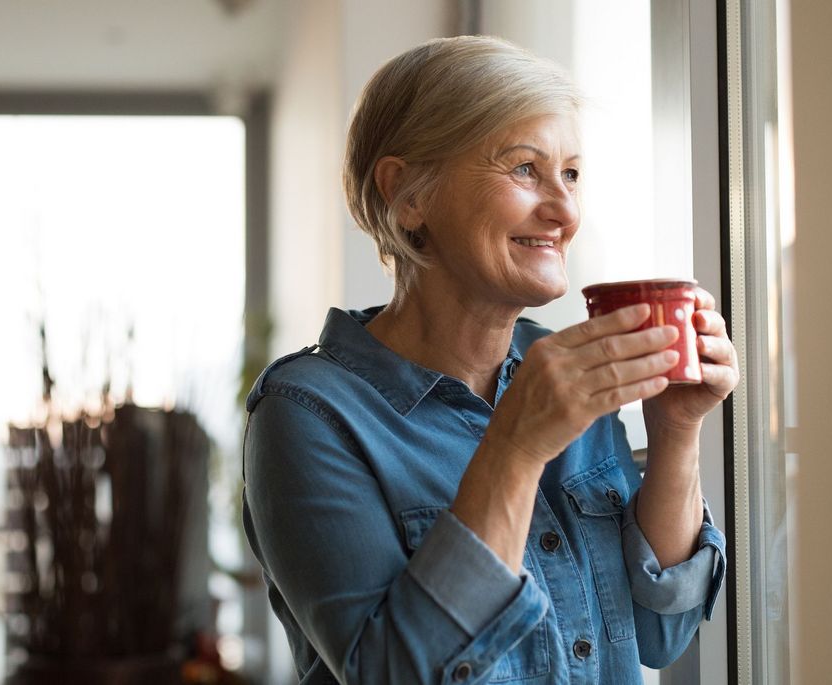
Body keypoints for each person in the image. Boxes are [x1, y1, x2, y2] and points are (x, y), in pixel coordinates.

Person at [242, 36, 737, 684]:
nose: (564, 211)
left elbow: (661, 629)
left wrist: (675, 430)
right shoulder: (308, 415)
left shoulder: (561, 371)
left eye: (572, 174)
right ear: (407, 194)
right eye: (525, 168)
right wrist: (516, 445)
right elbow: (390, 673)